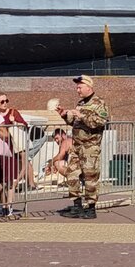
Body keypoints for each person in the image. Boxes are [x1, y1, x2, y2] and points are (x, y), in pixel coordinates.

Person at [55, 74, 109, 219]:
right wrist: (65, 115)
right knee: (71, 175)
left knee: (90, 177)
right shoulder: (81, 103)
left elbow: (101, 121)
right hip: (77, 146)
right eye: (77, 87)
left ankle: (91, 208)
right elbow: (74, 123)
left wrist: (82, 116)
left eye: (80, 87)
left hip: (90, 147)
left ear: (88, 87)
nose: (77, 90)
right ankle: (77, 206)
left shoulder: (99, 103)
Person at [0, 93, 35, 195]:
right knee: (17, 162)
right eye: (2, 101)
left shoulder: (13, 112)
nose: (5, 104)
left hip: (17, 140)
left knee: (25, 161)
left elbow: (25, 124)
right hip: (6, 142)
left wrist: (15, 122)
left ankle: (29, 183)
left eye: (6, 101)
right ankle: (14, 183)